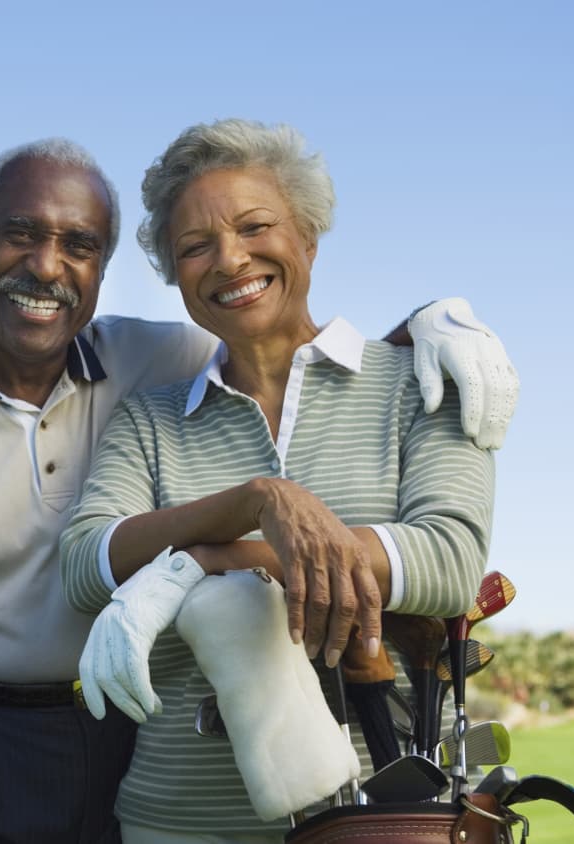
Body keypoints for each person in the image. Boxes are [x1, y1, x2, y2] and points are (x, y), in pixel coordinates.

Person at [0, 137, 516, 842]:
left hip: (118, 731)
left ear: (102, 270)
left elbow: (292, 334)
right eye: (20, 233)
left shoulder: (166, 358)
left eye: (78, 244)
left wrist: (434, 317)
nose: (46, 266)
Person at [61, 119, 498, 842]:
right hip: (181, 820)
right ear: (176, 276)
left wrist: (203, 561)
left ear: (309, 239)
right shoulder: (149, 421)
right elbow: (85, 565)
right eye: (194, 247)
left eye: (255, 226)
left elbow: (448, 560)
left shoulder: (419, 381)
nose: (229, 260)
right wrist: (258, 503)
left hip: (390, 821)